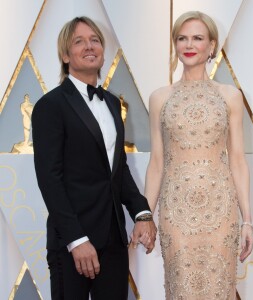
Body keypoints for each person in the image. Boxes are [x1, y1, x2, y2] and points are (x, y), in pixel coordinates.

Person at [32, 16, 156, 300]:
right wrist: (76, 240)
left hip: (113, 241)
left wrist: (142, 212)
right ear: (65, 55)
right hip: (71, 243)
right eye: (79, 41)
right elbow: (50, 179)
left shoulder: (113, 104)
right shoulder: (50, 106)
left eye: (95, 40)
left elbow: (118, 170)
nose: (89, 46)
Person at [144, 11, 253, 299]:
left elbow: (238, 161)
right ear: (175, 45)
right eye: (182, 38)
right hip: (176, 213)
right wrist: (146, 215)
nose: (189, 44)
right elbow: (157, 163)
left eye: (197, 38)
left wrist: (248, 220)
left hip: (221, 212)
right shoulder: (160, 97)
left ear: (211, 46)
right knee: (181, 287)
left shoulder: (230, 96)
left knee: (220, 289)